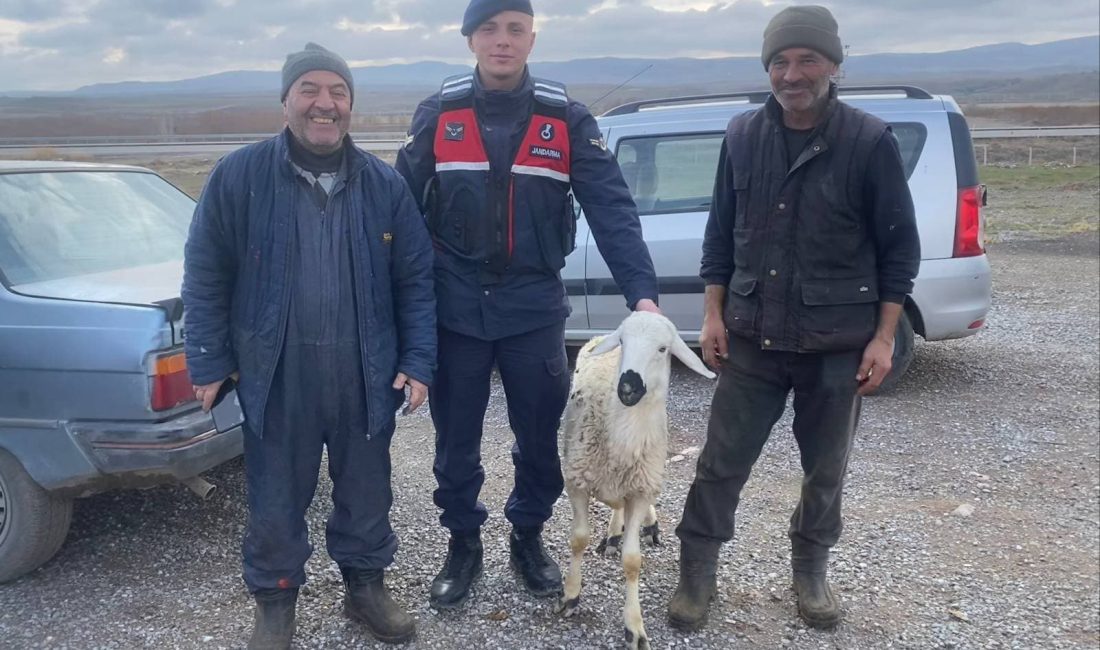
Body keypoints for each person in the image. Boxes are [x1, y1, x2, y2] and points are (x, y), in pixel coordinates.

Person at [396, 0, 660, 610]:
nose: (502, 41)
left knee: (540, 437)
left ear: (532, 39)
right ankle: (463, 543)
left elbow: (613, 211)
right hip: (455, 310)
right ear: (470, 41)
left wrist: (642, 298)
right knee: (454, 440)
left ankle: (528, 535)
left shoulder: (565, 119)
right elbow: (399, 212)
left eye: (514, 29)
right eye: (489, 30)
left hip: (534, 310)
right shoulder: (439, 114)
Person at [667, 5, 921, 631]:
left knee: (824, 469)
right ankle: (696, 574)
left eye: (807, 59)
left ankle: (810, 572)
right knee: (720, 465)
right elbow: (719, 236)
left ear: (833, 65)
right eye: (780, 61)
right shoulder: (742, 136)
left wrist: (884, 338)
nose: (792, 73)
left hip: (837, 344)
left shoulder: (867, 141)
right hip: (752, 337)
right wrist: (713, 315)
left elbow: (899, 251)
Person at [182, 43, 436, 648]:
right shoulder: (238, 177)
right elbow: (205, 273)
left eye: (338, 93)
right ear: (287, 99)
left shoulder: (384, 185)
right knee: (275, 494)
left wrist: (417, 361)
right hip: (277, 372)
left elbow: (416, 280)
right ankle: (274, 600)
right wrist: (210, 361)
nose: (326, 104)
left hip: (364, 370)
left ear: (351, 104)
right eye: (311, 91)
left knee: (366, 490)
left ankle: (365, 588)